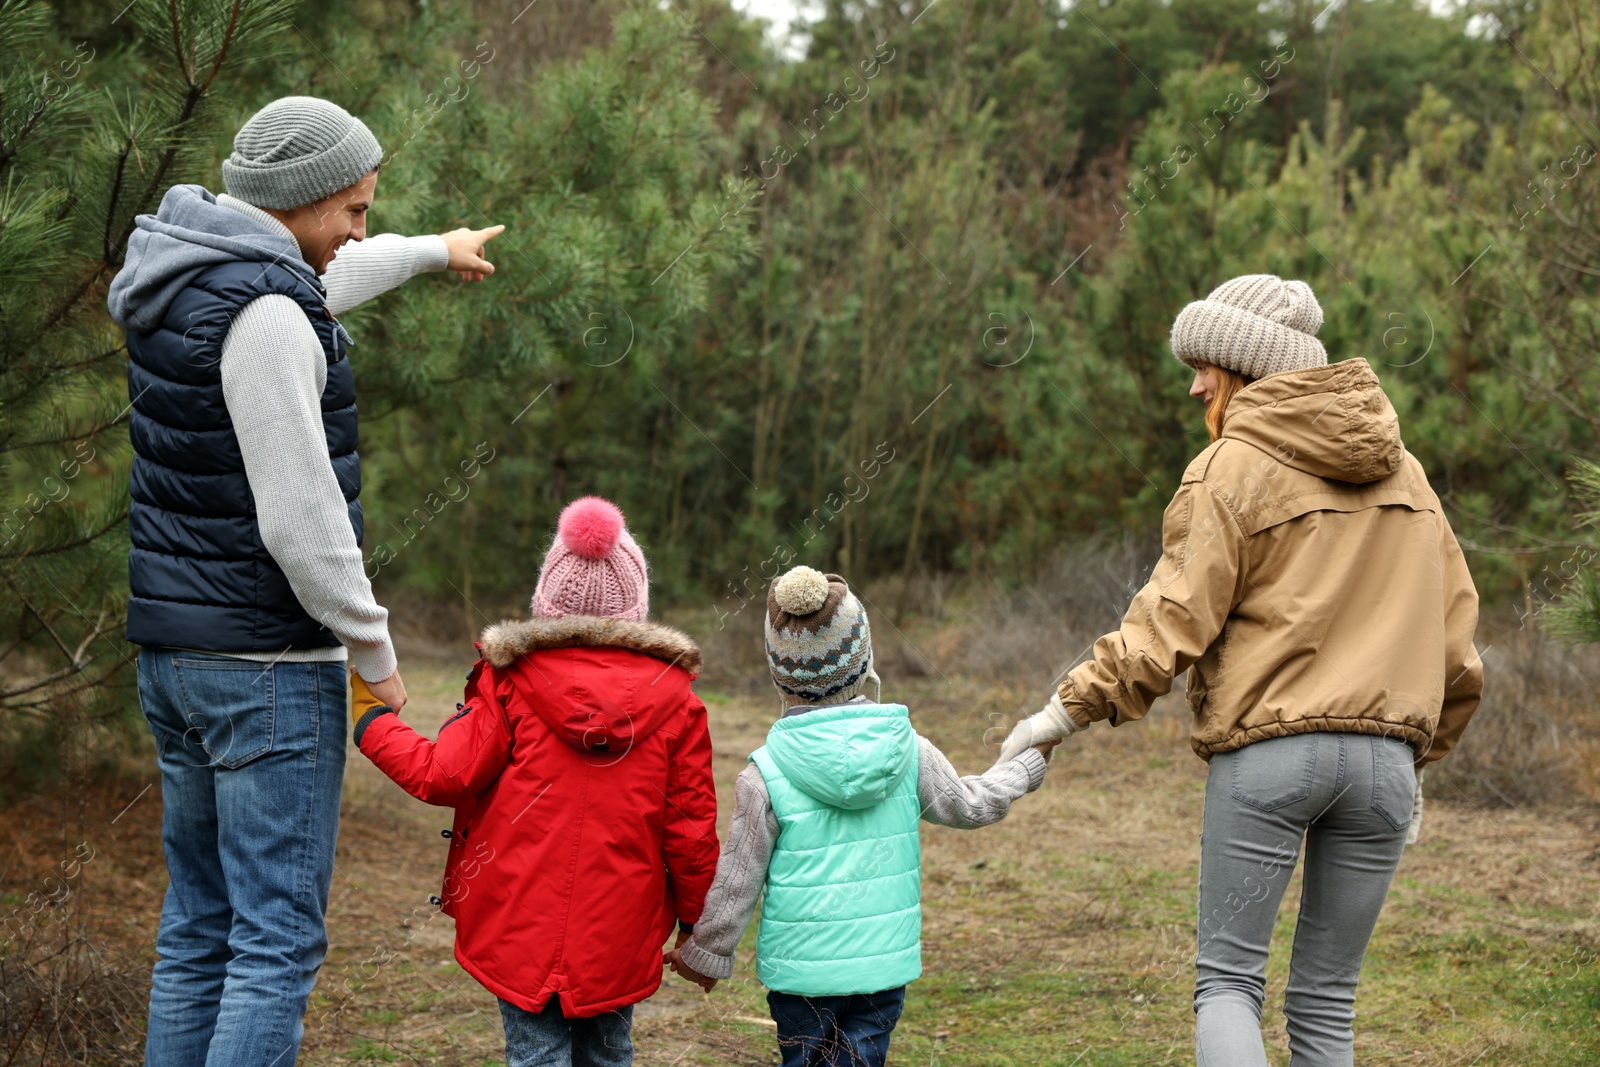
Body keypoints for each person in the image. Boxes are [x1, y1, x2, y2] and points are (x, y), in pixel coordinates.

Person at [105, 95, 503, 1066]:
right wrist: (374, 648)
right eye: (353, 210)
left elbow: (324, 273)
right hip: (268, 668)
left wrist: (426, 248)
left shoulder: (191, 273)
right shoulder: (271, 315)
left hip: (177, 655)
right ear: (298, 202)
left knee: (199, 925)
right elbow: (301, 520)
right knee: (274, 941)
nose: (359, 230)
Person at [998, 274, 1484, 1067]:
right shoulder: (1412, 478)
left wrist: (1061, 714)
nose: (1194, 385)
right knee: (1329, 999)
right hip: (1387, 769)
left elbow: (1170, 621)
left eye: (1207, 367)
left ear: (1249, 371)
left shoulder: (1232, 465)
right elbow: (1457, 642)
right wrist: (1416, 758)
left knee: (1228, 984)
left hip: (1270, 756)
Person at [355, 496, 719, 1067]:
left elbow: (442, 773)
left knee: (534, 1055)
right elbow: (691, 829)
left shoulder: (509, 685)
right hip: (618, 934)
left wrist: (371, 722)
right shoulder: (676, 702)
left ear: (547, 602)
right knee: (607, 1054)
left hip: (518, 924)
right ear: (637, 608)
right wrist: (698, 923)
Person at [666, 566, 1055, 1067]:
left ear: (780, 676)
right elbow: (971, 805)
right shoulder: (909, 752)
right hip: (880, 969)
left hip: (800, 978)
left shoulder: (765, 774)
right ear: (863, 659)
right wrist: (1026, 765)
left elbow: (737, 881)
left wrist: (707, 955)